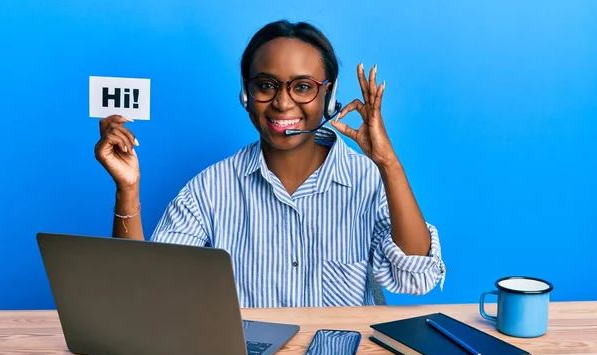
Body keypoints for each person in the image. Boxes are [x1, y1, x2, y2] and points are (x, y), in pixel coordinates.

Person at [94, 20, 446, 308]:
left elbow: (415, 278)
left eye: (303, 87)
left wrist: (388, 164)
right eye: (266, 85)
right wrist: (127, 189)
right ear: (246, 96)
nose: (282, 102)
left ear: (329, 96)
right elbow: (143, 296)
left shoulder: (367, 180)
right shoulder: (210, 189)